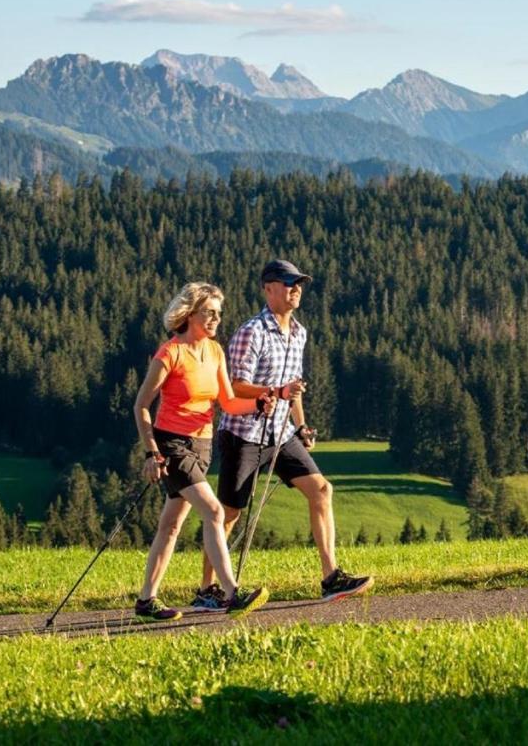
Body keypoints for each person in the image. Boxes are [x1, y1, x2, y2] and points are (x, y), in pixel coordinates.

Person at [194, 259, 372, 607]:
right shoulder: (252, 331)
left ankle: (330, 577)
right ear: (269, 288)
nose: (296, 289)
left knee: (321, 490)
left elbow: (294, 389)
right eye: (289, 283)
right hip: (244, 433)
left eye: (299, 283)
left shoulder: (299, 332)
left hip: (281, 431)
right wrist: (276, 391)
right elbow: (235, 387)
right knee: (228, 515)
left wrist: (301, 423)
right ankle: (206, 590)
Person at [132, 282, 274, 621]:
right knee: (213, 512)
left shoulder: (214, 352)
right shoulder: (170, 353)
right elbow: (141, 406)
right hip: (172, 444)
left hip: (202, 444)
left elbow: (227, 403)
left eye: (218, 314)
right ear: (190, 313)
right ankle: (232, 592)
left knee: (171, 525)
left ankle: (146, 601)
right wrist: (152, 453)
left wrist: (257, 402)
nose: (215, 319)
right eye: (209, 312)